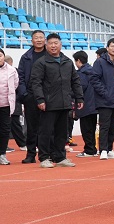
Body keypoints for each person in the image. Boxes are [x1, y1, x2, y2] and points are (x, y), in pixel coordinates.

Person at [29, 34, 84, 168]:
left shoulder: (67, 62)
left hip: (64, 102)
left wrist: (79, 97)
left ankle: (60, 157)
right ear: (46, 45)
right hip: (48, 103)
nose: (53, 46)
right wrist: (40, 100)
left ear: (60, 44)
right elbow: (36, 83)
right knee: (45, 132)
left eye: (56, 43)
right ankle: (44, 157)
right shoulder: (41, 62)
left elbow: (75, 81)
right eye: (51, 43)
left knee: (62, 133)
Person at [93, 39, 114, 159]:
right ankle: (103, 150)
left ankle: (109, 149)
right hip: (104, 100)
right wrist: (105, 93)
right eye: (112, 46)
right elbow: (95, 79)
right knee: (105, 126)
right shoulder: (100, 62)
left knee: (113, 126)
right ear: (107, 48)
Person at [16, 29, 46, 163]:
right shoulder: (26, 57)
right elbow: (20, 76)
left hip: (47, 95)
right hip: (30, 96)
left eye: (41, 37)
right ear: (32, 40)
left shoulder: (51, 54)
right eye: (36, 38)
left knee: (47, 127)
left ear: (45, 40)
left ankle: (47, 153)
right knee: (31, 127)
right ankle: (31, 154)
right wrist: (24, 94)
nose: (39, 40)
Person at [72, 50, 99, 157]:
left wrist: (71, 94)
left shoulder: (81, 73)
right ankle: (93, 148)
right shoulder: (93, 71)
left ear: (78, 61)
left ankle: (89, 149)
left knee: (86, 128)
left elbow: (80, 87)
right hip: (94, 104)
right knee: (91, 128)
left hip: (85, 104)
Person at [0, 49, 16, 164]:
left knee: (5, 130)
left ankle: (2, 154)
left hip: (5, 105)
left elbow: (15, 84)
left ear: (3, 57)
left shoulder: (12, 70)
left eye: (0, 55)